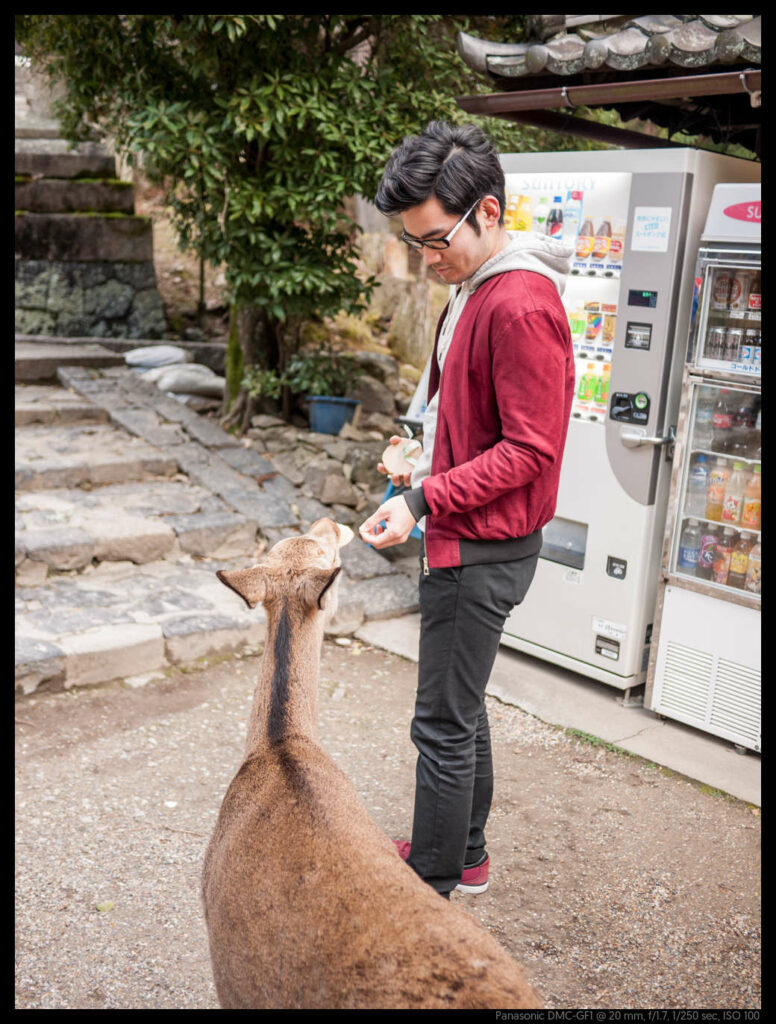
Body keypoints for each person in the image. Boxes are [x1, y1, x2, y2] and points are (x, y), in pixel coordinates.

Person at [358, 121, 575, 900]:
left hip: (480, 548)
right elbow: (463, 410)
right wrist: (416, 449)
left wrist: (423, 498)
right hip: (471, 531)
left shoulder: (518, 303)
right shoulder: (474, 287)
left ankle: (433, 884)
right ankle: (465, 852)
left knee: (441, 725)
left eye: (435, 238)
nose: (426, 258)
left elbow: (531, 451)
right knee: (463, 702)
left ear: (487, 211)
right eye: (415, 242)